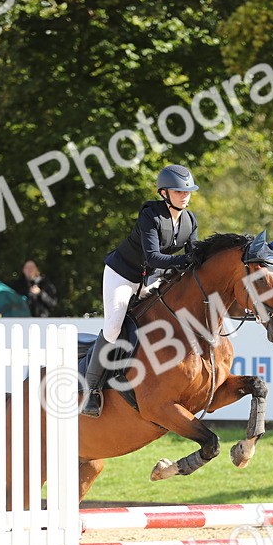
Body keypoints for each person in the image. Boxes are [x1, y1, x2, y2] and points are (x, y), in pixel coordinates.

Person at [81, 163, 200, 417]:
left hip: (150, 279)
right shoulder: (151, 216)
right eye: (179, 191)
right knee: (114, 326)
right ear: (164, 193)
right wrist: (184, 261)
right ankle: (91, 391)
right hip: (123, 275)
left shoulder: (190, 221)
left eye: (188, 191)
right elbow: (155, 257)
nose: (185, 195)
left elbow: (193, 258)